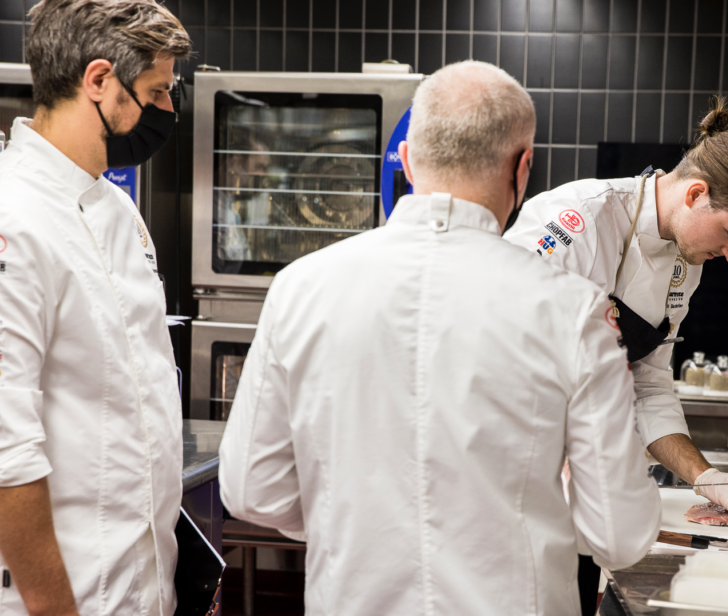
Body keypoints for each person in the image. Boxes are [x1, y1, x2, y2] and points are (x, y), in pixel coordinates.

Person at [219, 61, 661, 616]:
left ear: (404, 161)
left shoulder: (299, 287)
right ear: (523, 168)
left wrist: (362, 521)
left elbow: (253, 490)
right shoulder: (573, 310)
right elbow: (619, 535)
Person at [504, 97, 728, 605]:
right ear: (696, 193)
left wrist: (706, 477)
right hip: (512, 485)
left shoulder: (687, 262)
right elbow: (500, 353)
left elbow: (648, 382)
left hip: (584, 503)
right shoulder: (576, 221)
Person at [0, 1, 191, 614]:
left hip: (136, 583)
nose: (168, 110)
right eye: (157, 91)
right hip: (54, 598)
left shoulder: (116, 209)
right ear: (98, 81)